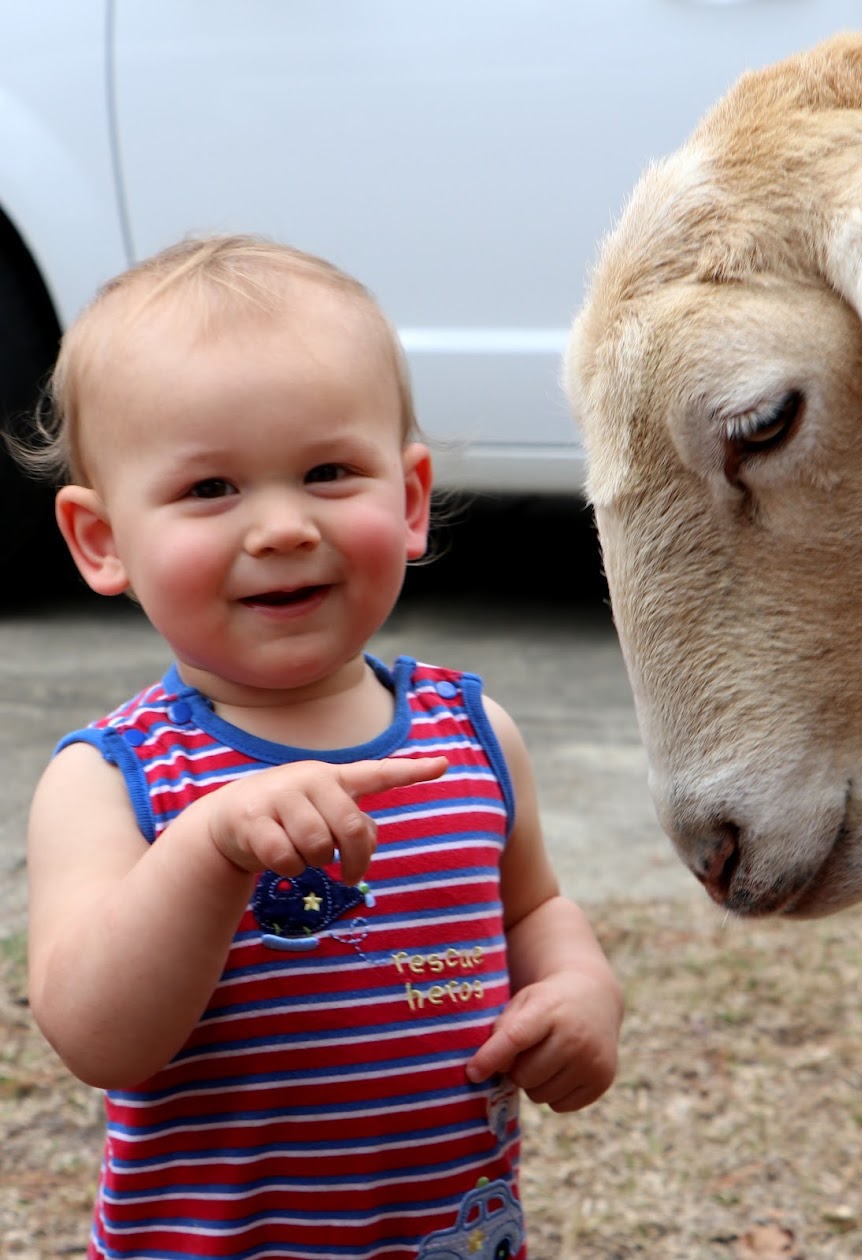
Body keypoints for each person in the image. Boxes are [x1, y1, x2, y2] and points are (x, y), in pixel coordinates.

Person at [17, 235, 623, 1259]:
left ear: (411, 496)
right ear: (102, 540)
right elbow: (98, 1038)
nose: (284, 526)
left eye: (329, 472)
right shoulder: (111, 781)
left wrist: (578, 989)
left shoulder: (471, 734)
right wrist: (208, 849)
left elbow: (533, 909)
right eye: (211, 489)